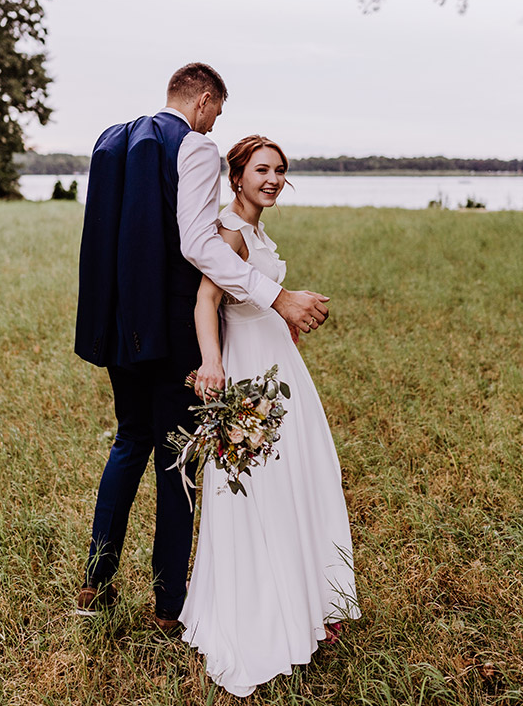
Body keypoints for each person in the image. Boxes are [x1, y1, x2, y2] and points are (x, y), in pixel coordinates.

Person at [74, 63, 333, 633]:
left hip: (119, 329)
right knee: (177, 463)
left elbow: (105, 239)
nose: (216, 121)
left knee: (129, 441)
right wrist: (276, 295)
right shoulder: (192, 145)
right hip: (171, 334)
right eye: (217, 109)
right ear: (204, 98)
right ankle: (169, 605)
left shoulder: (113, 140)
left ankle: (96, 579)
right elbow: (197, 244)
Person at [179, 135, 360, 697]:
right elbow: (207, 300)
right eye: (262, 170)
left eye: (280, 171)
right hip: (249, 372)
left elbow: (262, 299)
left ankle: (307, 602)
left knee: (300, 481)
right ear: (236, 177)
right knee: (260, 490)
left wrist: (294, 319)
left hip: (282, 371)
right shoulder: (230, 230)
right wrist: (212, 363)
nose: (274, 179)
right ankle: (263, 616)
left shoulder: (257, 229)